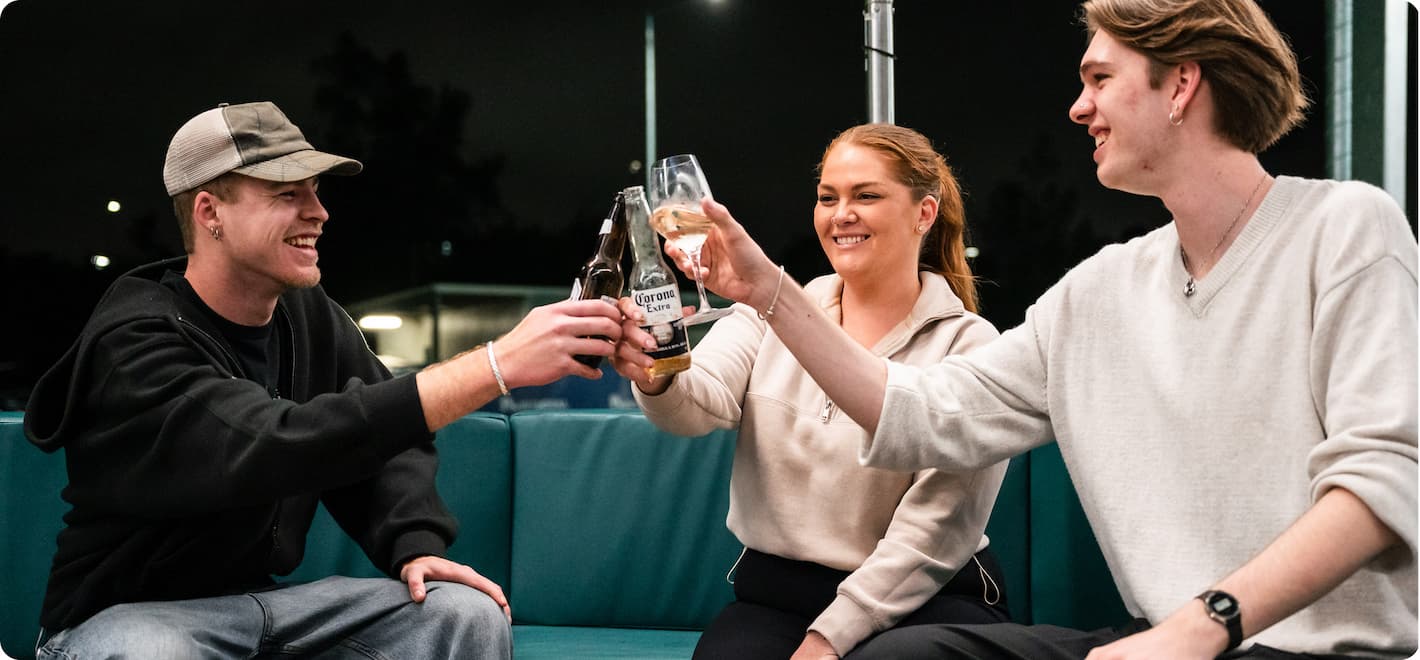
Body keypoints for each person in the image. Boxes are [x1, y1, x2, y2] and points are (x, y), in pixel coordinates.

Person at [659, 0, 1418, 657]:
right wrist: (766, 291)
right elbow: (921, 415)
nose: (1077, 108)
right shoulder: (1098, 292)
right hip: (1156, 638)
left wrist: (1200, 627)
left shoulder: (1345, 227)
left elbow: (1385, 480)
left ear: (1181, 83)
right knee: (909, 656)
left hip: (1299, 646)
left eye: (1099, 79)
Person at [23, 100, 625, 659]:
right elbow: (272, 442)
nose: (319, 212)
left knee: (462, 614)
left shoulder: (310, 318)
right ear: (210, 213)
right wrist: (496, 364)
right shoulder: (134, 342)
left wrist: (412, 542)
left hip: (261, 606)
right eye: (288, 194)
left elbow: (386, 444)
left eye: (315, 191)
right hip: (125, 621)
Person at [612, 124, 1012, 659]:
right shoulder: (765, 311)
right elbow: (694, 406)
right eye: (828, 198)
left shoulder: (969, 344)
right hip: (779, 597)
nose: (841, 213)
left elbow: (935, 533)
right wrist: (655, 369)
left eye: (866, 195)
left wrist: (830, 637)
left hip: (926, 596)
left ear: (924, 214)